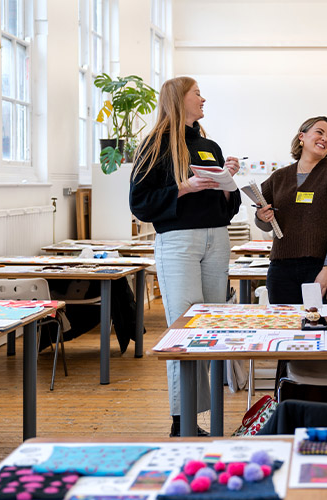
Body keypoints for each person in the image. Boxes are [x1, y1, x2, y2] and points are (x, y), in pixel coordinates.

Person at [129, 77, 242, 436]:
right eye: (197, 93)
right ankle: (182, 423)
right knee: (184, 330)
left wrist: (227, 182)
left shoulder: (209, 145)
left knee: (213, 327)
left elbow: (228, 207)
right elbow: (140, 202)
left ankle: (199, 416)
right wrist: (185, 186)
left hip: (216, 239)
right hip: (178, 241)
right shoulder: (156, 145)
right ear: (180, 99)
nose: (203, 98)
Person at [254, 116, 327, 305]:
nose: (325, 139)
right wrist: (261, 216)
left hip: (320, 267)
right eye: (319, 132)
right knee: (283, 325)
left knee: (321, 326)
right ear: (302, 136)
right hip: (281, 267)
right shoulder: (278, 178)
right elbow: (265, 225)